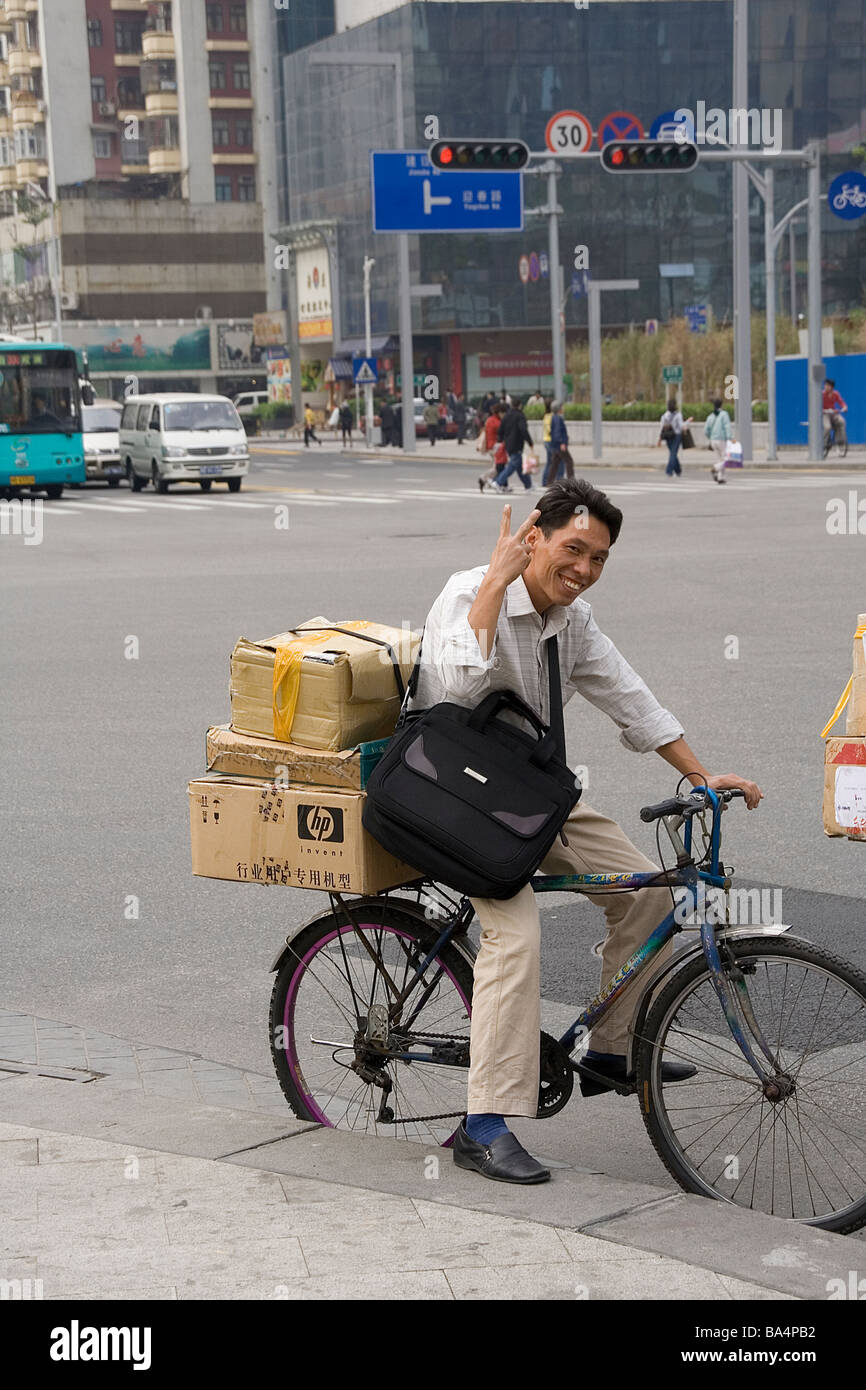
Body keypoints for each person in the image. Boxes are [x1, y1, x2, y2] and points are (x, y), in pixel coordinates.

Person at [408, 479, 763, 1184]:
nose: (585, 568)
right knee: (517, 934)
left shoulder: (573, 621)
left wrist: (697, 775)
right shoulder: (468, 591)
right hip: (445, 791)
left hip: (522, 791)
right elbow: (453, 680)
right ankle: (484, 1125)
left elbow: (629, 696)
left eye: (599, 557)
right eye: (574, 549)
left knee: (651, 893)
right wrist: (496, 583)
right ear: (532, 536)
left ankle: (611, 1050)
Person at [493, 398, 534, 492]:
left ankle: (528, 485)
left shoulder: (507, 415)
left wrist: (502, 440)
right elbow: (523, 430)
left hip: (508, 444)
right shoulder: (520, 416)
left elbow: (500, 431)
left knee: (519, 466)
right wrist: (530, 442)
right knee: (512, 465)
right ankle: (498, 482)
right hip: (517, 444)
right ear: (520, 405)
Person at [657, 398, 691, 477]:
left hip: (667, 436)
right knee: (673, 453)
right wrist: (688, 421)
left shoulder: (665, 415)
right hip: (676, 436)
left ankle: (678, 470)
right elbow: (681, 426)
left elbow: (661, 427)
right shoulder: (678, 415)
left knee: (673, 453)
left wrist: (659, 439)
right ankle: (669, 471)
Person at [477, 402, 506, 491]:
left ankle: (495, 482)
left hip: (490, 446)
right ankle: (484, 478)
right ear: (499, 412)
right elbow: (502, 432)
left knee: (498, 466)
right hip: (495, 446)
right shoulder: (496, 422)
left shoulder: (489, 419)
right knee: (497, 468)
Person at [704, 399, 732, 483]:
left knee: (720, 459)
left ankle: (720, 478)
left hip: (713, 440)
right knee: (726, 459)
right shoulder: (724, 414)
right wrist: (730, 437)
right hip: (721, 439)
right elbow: (727, 426)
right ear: (721, 405)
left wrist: (710, 437)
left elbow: (706, 430)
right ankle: (715, 468)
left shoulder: (710, 416)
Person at [548, 401, 573, 482]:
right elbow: (557, 432)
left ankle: (549, 481)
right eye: (562, 407)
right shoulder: (558, 418)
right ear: (558, 409)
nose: (563, 408)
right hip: (559, 444)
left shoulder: (554, 417)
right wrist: (562, 442)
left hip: (555, 445)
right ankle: (571, 481)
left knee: (555, 464)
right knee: (569, 461)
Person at [822, 379, 847, 443]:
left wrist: (844, 407)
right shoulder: (821, 394)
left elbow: (841, 401)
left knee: (842, 421)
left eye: (828, 385)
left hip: (833, 413)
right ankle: (824, 442)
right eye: (825, 385)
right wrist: (822, 410)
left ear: (832, 387)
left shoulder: (835, 394)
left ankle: (839, 440)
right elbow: (817, 405)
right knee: (827, 427)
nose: (826, 387)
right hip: (824, 414)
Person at [541, 399, 554, 481]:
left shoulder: (545, 415)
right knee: (556, 462)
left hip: (546, 440)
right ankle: (549, 480)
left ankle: (545, 480)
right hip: (550, 441)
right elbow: (550, 430)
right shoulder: (551, 416)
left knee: (549, 462)